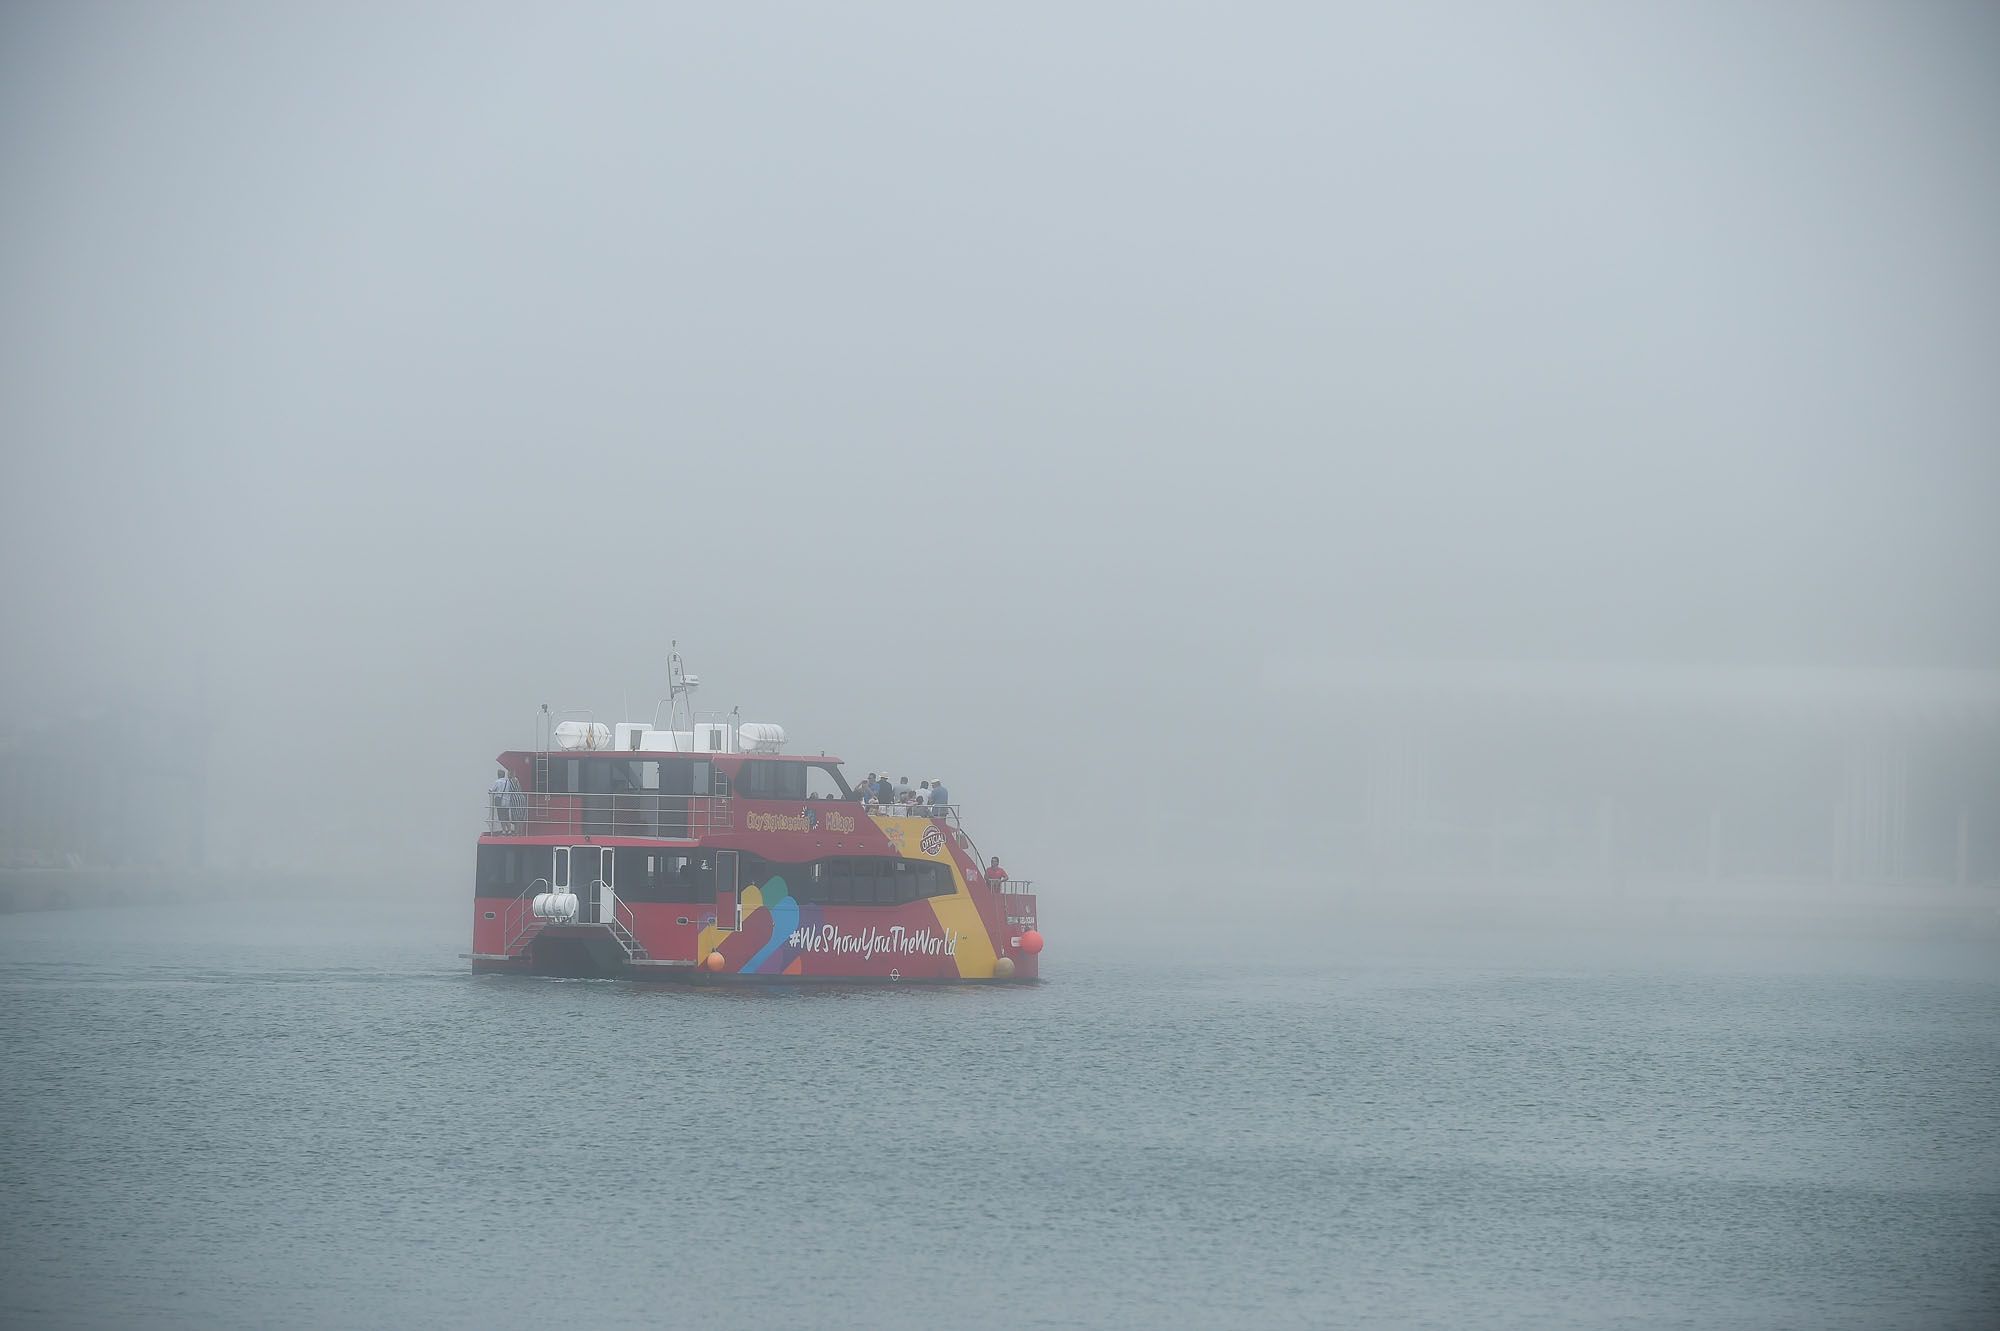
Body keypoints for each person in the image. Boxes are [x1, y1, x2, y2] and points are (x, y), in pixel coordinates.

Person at [488, 769, 510, 833]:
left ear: (498, 775)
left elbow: (492, 790)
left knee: (501, 816)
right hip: (507, 801)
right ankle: (509, 830)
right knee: (506, 816)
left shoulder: (497, 782)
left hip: (500, 801)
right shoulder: (507, 782)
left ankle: (504, 830)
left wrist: (490, 791)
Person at [504, 771, 525, 835]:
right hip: (521, 797)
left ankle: (516, 832)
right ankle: (521, 832)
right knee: (521, 816)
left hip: (514, 798)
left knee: (516, 816)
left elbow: (508, 790)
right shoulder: (516, 779)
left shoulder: (509, 781)